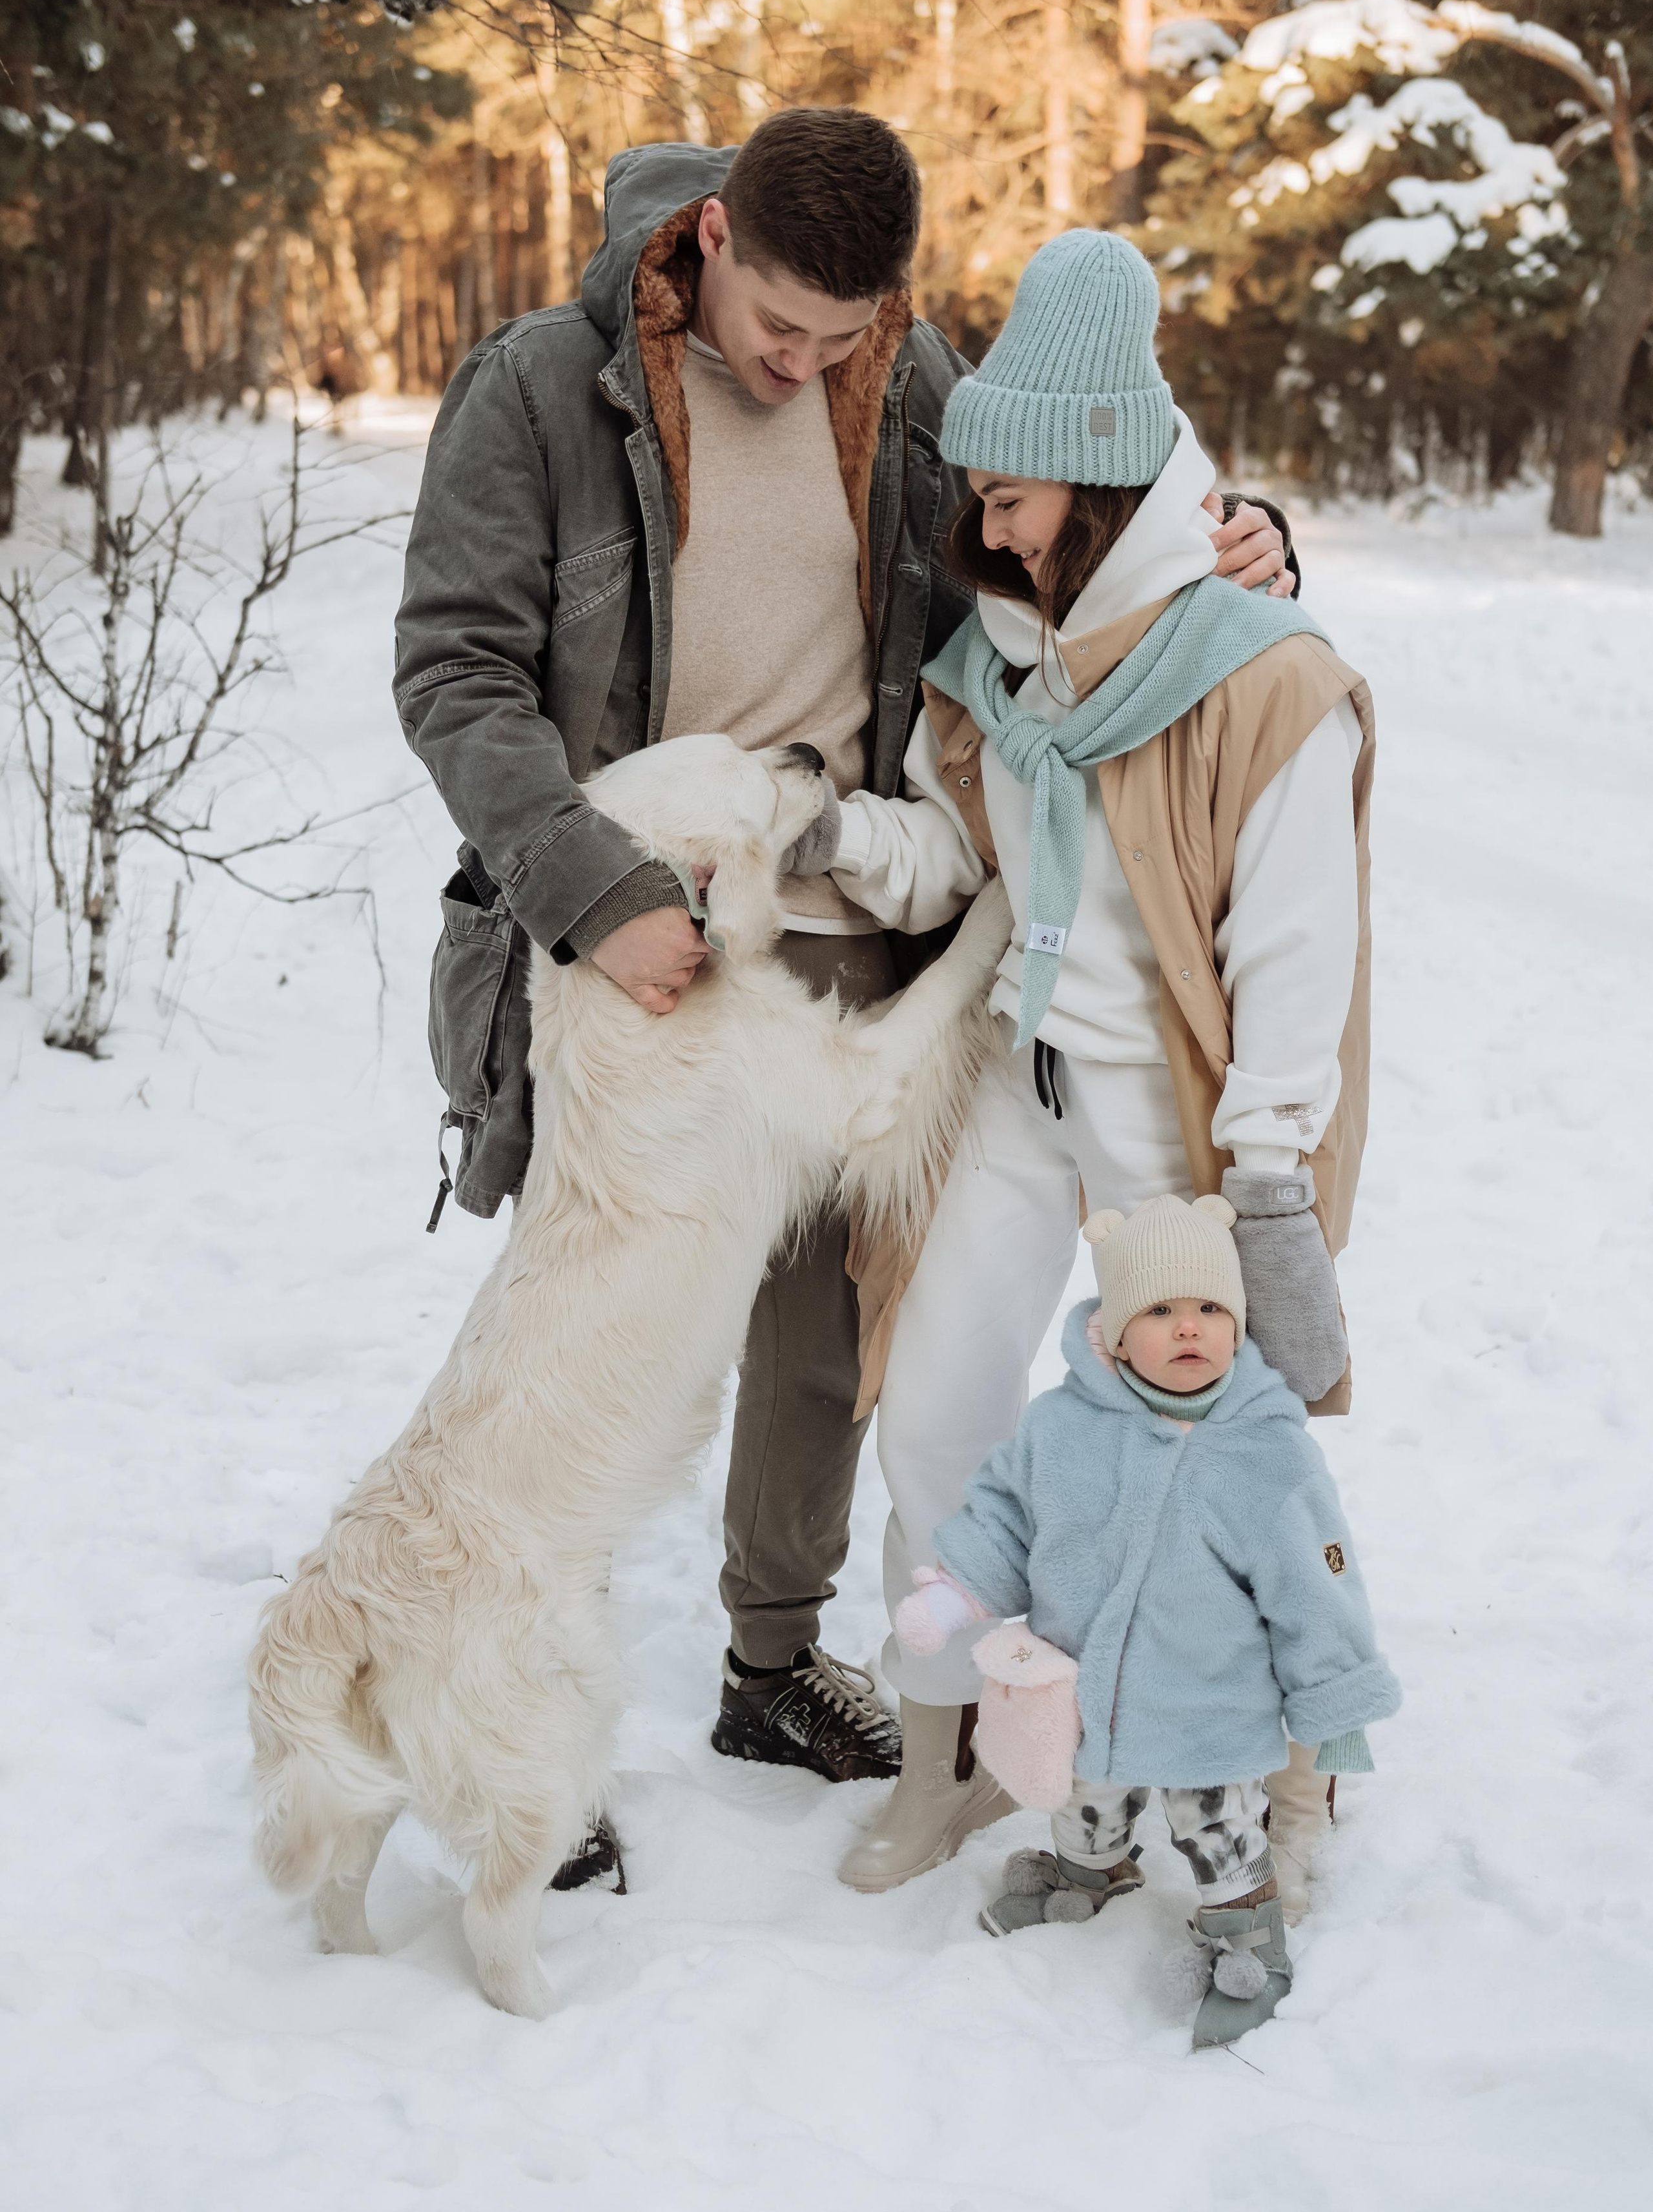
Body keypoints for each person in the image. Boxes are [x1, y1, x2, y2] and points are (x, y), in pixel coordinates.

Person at [393, 112, 1299, 1828]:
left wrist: (1233, 537)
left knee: (822, 1348)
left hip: (849, 931)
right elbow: (458, 668)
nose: (807, 363)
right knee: (596, 1333)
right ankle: (517, 1699)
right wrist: (589, 886)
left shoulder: (909, 371)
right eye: (784, 328)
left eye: (845, 336)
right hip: (631, 950)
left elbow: (1071, 512)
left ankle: (775, 1661)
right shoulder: (542, 386)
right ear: (713, 235)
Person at [823, 227, 1375, 1900]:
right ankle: (954, 1756)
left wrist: (1263, 1188)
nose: (982, 525)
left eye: (1008, 498)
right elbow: (946, 863)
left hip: (1174, 1135)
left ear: (1096, 484)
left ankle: (1277, 1762)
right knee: (934, 1425)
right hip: (1012, 1090)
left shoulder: (1266, 684)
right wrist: (797, 844)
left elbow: (1299, 961)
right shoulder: (998, 664)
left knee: (1204, 1458)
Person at [893, 1193, 1400, 2050]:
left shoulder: (1267, 1452)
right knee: (1083, 1803)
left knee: (1220, 1833)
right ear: (1114, 1333)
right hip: (1084, 1693)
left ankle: (1247, 1936)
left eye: (1210, 1308)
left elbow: (1319, 1586)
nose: (1190, 1326)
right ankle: (1087, 1873)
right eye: (1160, 1310)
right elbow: (1008, 1518)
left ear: (1237, 1325)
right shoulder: (1064, 1429)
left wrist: (1334, 1704)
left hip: (1210, 1708)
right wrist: (954, 1594)